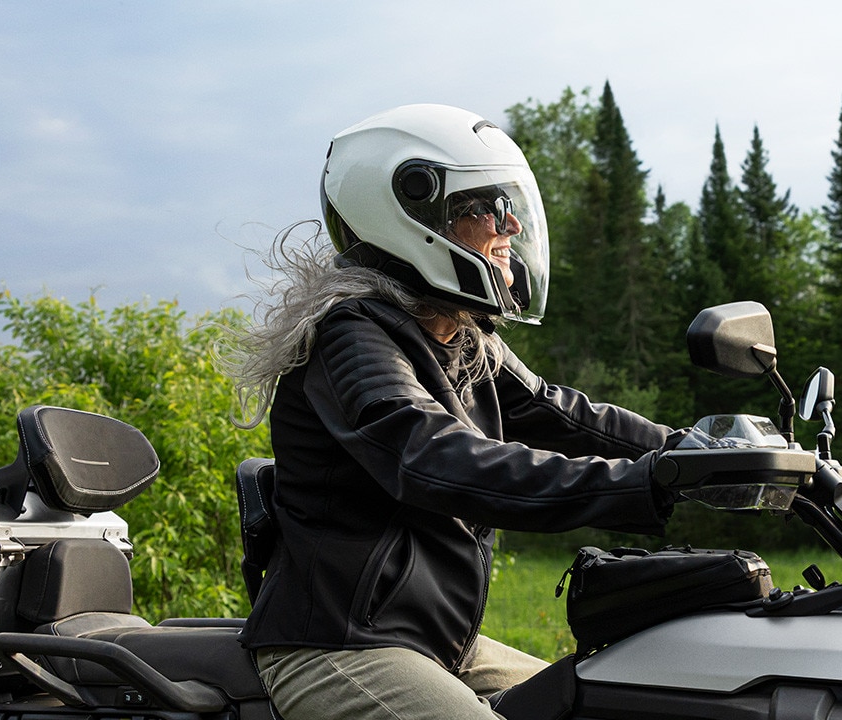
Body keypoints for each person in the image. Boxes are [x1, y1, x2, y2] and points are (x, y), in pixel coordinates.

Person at [225, 103, 677, 720]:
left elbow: (563, 415)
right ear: (409, 217)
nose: (510, 226)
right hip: (340, 644)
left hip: (435, 643)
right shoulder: (349, 336)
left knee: (612, 700)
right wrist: (643, 483)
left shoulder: (460, 335)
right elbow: (435, 459)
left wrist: (694, 451)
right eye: (485, 207)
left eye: (509, 206)